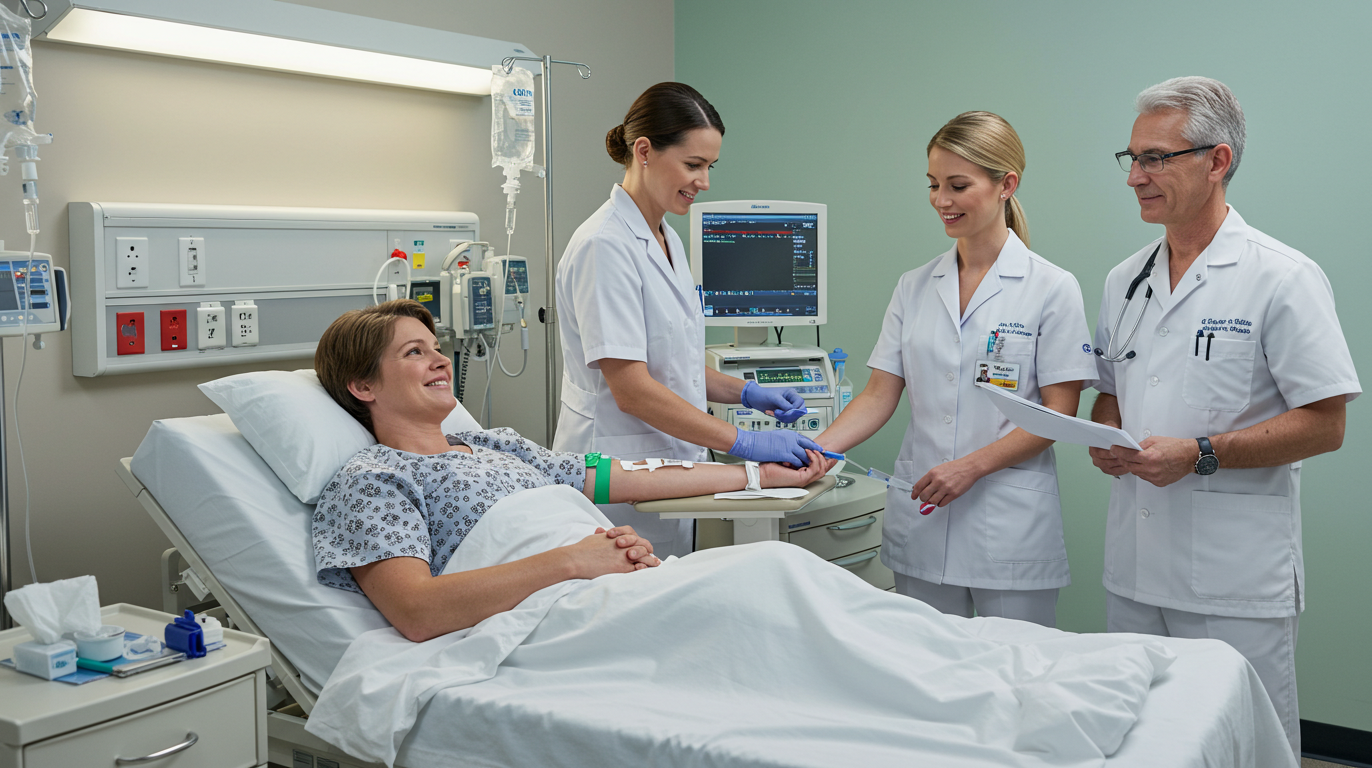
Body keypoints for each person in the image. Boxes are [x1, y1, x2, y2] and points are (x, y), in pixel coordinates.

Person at [1088, 76, 1359, 755]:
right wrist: (1104, 434)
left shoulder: (1281, 276)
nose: (1136, 177)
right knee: (1140, 743)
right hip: (1136, 565)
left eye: (1156, 158)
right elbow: (1112, 389)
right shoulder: (1125, 280)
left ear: (1217, 161)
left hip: (1233, 576)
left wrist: (1200, 453)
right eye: (1132, 158)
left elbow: (1326, 423)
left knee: (1249, 748)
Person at [311, 300, 829, 642]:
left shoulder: (495, 444)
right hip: (556, 612)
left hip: (614, 585)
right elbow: (417, 611)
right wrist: (576, 560)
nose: (441, 361)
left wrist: (758, 475)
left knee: (781, 569)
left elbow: (629, 476)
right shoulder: (373, 479)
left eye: (437, 349)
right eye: (414, 352)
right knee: (760, 609)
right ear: (363, 386)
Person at [816, 112, 1097, 627]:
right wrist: (818, 450)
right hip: (923, 516)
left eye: (958, 185)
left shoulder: (1051, 287)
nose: (941, 200)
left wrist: (971, 467)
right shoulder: (915, 286)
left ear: (1006, 185)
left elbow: (1059, 412)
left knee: (1016, 667)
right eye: (933, 184)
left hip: (1008, 525)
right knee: (923, 666)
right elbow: (879, 394)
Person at [555, 82, 820, 558]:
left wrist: (746, 392)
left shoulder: (668, 238)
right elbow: (632, 389)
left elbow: (672, 364)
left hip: (669, 467)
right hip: (618, 471)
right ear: (644, 152)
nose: (705, 181)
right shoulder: (604, 246)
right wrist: (744, 443)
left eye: (710, 166)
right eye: (694, 165)